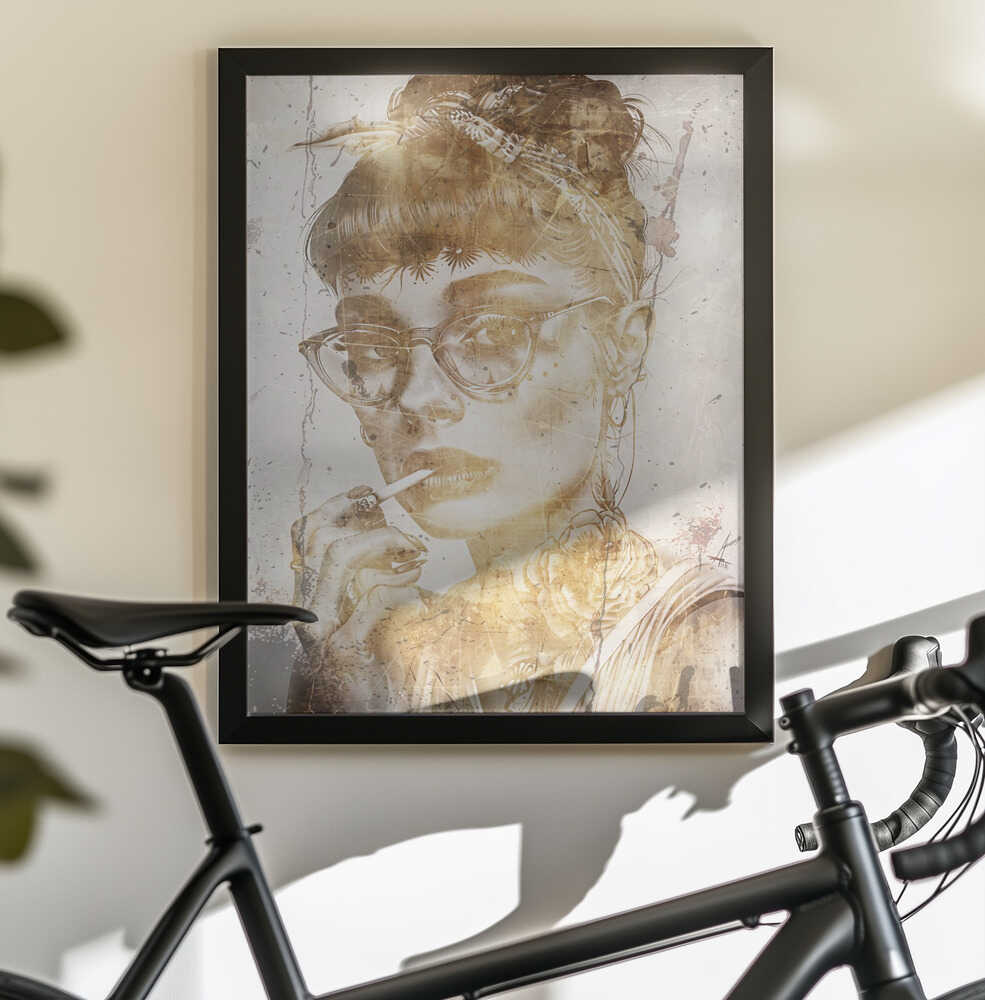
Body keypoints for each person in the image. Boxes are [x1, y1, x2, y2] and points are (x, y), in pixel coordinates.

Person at [285, 74, 741, 715]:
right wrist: (335, 684)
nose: (419, 399)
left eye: (491, 334)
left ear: (622, 344)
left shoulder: (700, 630)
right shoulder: (386, 650)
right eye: (371, 348)